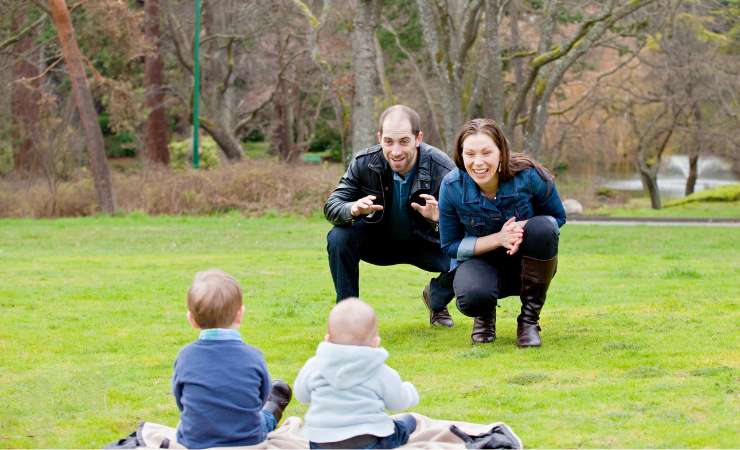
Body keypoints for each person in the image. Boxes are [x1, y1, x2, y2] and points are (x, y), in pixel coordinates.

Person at [324, 104, 456, 327]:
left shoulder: (443, 169)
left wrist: (440, 219)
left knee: (469, 255)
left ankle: (435, 298)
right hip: (379, 242)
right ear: (380, 137)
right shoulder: (363, 162)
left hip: (428, 243)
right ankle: (348, 317)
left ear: (418, 138)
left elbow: (467, 224)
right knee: (337, 237)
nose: (395, 151)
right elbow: (332, 205)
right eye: (388, 141)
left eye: (404, 141)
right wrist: (352, 208)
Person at [438, 119, 566, 347]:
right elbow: (450, 246)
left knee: (544, 228)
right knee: (472, 296)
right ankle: (484, 315)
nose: (478, 162)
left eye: (486, 152)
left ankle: (528, 321)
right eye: (470, 154)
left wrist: (520, 228)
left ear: (501, 152)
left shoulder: (530, 175)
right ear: (460, 155)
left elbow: (557, 219)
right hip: (480, 262)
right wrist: (499, 238)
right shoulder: (451, 186)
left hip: (524, 263)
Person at [172, 269, 292, 449]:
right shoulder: (253, 356)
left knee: (184, 424)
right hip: (248, 441)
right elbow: (260, 398)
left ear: (192, 320)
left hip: (197, 442)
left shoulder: (185, 356)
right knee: (262, 418)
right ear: (240, 314)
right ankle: (273, 410)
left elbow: (180, 398)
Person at [294, 298, 419, 449]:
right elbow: (398, 402)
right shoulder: (379, 370)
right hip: (369, 441)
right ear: (375, 342)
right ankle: (406, 425)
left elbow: (301, 395)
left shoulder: (315, 364)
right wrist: (409, 390)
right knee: (400, 427)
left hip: (321, 442)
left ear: (327, 338)